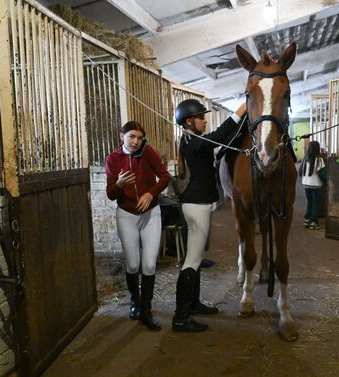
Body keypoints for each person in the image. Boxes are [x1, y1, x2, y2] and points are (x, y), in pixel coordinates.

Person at [172, 99, 247, 332]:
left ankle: (193, 305)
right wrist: (241, 110)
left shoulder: (192, 140)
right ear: (188, 121)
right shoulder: (193, 141)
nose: (205, 120)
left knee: (194, 261)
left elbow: (219, 144)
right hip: (196, 205)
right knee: (192, 262)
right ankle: (181, 317)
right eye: (201, 117)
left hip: (198, 204)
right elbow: (219, 134)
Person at [106, 121, 172, 331]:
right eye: (131, 136)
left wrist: (150, 193)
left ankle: (146, 310)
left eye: (140, 138)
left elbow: (165, 176)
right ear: (121, 136)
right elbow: (110, 194)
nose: (136, 141)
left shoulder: (148, 153)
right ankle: (135, 301)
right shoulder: (113, 159)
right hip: (126, 214)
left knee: (150, 265)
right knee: (133, 265)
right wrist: (118, 185)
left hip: (151, 213)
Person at [299, 141, 325, 230]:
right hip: (316, 185)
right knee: (315, 204)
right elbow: (322, 173)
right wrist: (326, 181)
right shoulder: (319, 160)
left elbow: (300, 172)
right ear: (317, 148)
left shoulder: (305, 159)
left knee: (310, 202)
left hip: (306, 184)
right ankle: (314, 222)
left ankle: (307, 219)